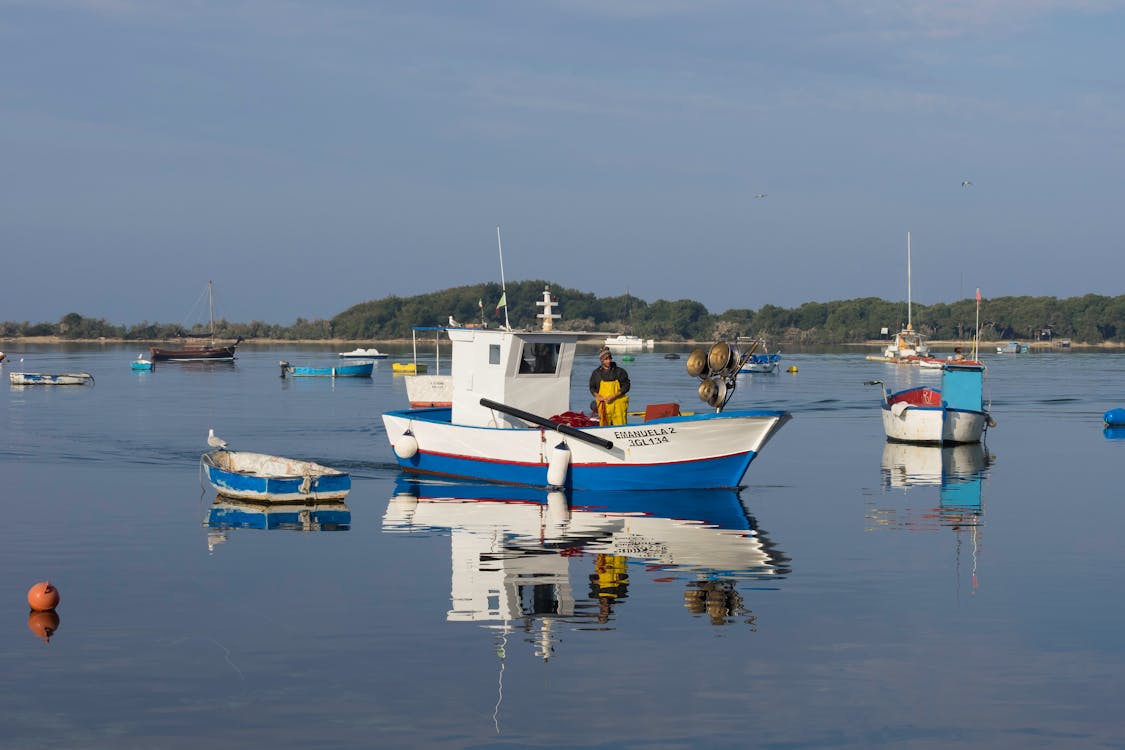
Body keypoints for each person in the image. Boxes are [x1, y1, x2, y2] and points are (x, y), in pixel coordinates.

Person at [589, 346, 630, 425]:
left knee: (620, 428)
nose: (608, 361)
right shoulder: (596, 373)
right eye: (606, 359)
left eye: (609, 358)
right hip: (604, 407)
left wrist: (614, 396)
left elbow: (626, 386)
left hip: (619, 407)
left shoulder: (620, 372)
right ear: (601, 360)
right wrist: (597, 396)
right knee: (604, 427)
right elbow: (592, 387)